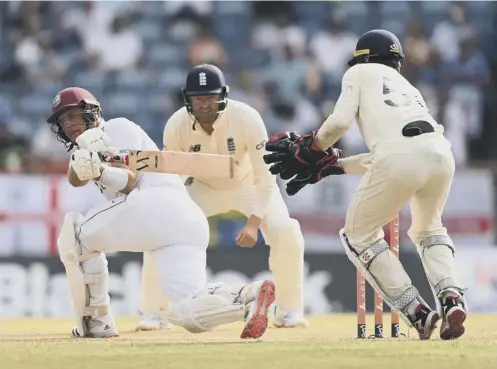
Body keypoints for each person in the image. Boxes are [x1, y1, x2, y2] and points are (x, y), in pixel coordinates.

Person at [263, 29, 467, 340]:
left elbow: (339, 123)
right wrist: (335, 167)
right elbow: (391, 152)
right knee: (430, 230)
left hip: (401, 157)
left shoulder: (359, 71)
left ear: (363, 58)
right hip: (441, 154)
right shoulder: (408, 87)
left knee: (358, 236)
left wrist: (311, 149)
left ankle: (417, 312)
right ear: (396, 60)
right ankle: (452, 297)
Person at [48, 86, 275, 339]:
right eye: (62, 119)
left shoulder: (116, 128)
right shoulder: (83, 149)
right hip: (184, 220)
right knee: (187, 311)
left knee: (76, 235)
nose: (68, 124)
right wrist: (83, 161)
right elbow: (75, 179)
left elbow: (131, 181)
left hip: (153, 203)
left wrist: (100, 171)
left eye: (72, 115)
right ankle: (248, 297)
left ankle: (96, 322)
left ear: (90, 112)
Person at [136, 64, 308, 331]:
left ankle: (289, 312)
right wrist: (170, 210)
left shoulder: (246, 117)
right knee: (161, 233)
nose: (204, 104)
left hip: (247, 184)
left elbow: (265, 176)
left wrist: (253, 223)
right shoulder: (176, 124)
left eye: (210, 97)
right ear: (187, 98)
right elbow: (172, 175)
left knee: (287, 232)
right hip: (201, 187)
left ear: (223, 95)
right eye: (197, 98)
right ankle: (155, 314)